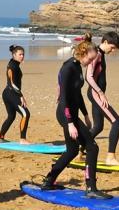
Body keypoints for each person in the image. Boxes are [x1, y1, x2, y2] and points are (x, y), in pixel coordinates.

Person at [41, 33, 112, 199]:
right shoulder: (68, 68)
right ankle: (91, 188)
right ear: (84, 53)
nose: (91, 62)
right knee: (92, 146)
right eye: (90, 59)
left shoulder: (77, 66)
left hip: (71, 114)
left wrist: (86, 114)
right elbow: (65, 96)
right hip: (66, 114)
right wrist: (71, 123)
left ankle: (49, 180)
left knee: (72, 150)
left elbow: (77, 94)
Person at [85, 31, 119, 165]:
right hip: (95, 94)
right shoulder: (96, 54)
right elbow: (88, 77)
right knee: (117, 122)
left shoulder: (100, 54)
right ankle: (110, 158)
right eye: (112, 47)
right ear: (105, 42)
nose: (112, 51)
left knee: (98, 127)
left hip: (96, 94)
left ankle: (78, 150)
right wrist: (101, 93)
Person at [0, 45, 31, 144]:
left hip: (8, 93)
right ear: (14, 55)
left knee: (11, 116)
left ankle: (1, 138)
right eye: (20, 54)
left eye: (23, 54)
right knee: (26, 114)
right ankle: (22, 139)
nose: (22, 56)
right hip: (11, 94)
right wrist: (21, 96)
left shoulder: (14, 63)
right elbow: (12, 83)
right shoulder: (12, 66)